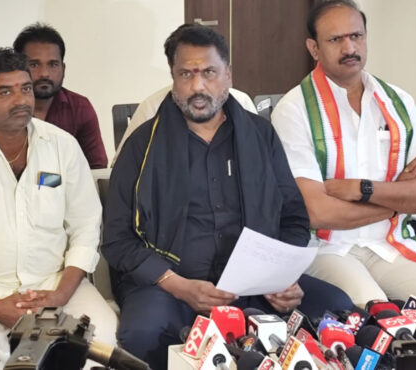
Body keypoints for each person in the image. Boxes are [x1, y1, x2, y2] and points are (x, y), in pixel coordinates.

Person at [102, 24, 353, 370]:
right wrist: (177, 285)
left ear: (228, 75)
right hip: (171, 286)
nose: (197, 86)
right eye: (186, 74)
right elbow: (117, 239)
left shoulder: (260, 135)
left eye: (209, 72)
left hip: (255, 287)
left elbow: (293, 217)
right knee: (143, 332)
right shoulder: (142, 146)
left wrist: (282, 278)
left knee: (337, 308)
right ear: (173, 78)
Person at [0, 47, 117, 370]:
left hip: (56, 283)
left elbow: (86, 229)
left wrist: (60, 295)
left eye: (25, 89)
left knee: (101, 340)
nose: (21, 100)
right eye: (6, 92)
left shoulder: (63, 146)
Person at [271, 0, 416, 307]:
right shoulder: (294, 110)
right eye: (335, 39)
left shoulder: (398, 102)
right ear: (314, 48)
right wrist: (399, 198)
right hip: (328, 250)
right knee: (375, 312)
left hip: (392, 244)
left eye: (356, 36)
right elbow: (318, 212)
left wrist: (361, 189)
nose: (349, 48)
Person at [13, 23, 108, 168]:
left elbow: (96, 169)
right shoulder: (1, 108)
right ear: (17, 68)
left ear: (63, 68)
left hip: (69, 183)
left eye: (53, 64)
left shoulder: (80, 108)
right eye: (34, 64)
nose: (44, 73)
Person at [112, 85, 257, 164]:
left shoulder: (241, 102)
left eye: (208, 70)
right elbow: (123, 167)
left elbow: (259, 163)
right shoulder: (152, 107)